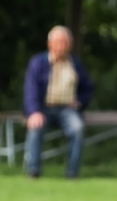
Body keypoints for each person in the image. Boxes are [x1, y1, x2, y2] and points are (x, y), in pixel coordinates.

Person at [22, 26, 94, 180]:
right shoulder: (38, 63)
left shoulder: (76, 64)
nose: (61, 47)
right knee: (35, 128)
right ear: (50, 44)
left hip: (67, 110)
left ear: (70, 45)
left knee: (78, 129)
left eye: (65, 43)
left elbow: (88, 88)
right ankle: (34, 171)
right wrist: (34, 111)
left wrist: (80, 102)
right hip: (43, 108)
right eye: (58, 43)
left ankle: (72, 173)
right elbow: (31, 89)